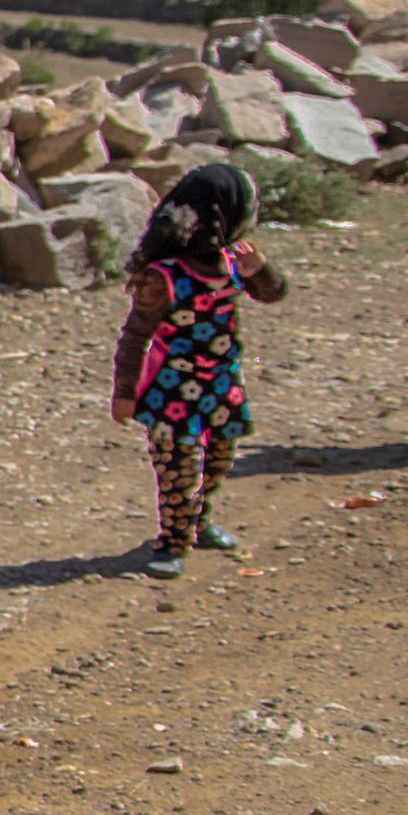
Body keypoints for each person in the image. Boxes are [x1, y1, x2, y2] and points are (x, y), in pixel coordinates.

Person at [109, 161, 287, 581]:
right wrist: (125, 393)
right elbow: (135, 338)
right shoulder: (164, 277)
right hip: (172, 394)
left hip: (221, 388)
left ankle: (199, 522)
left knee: (218, 459)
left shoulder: (233, 262)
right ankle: (172, 541)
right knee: (178, 468)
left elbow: (274, 294)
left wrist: (261, 270)